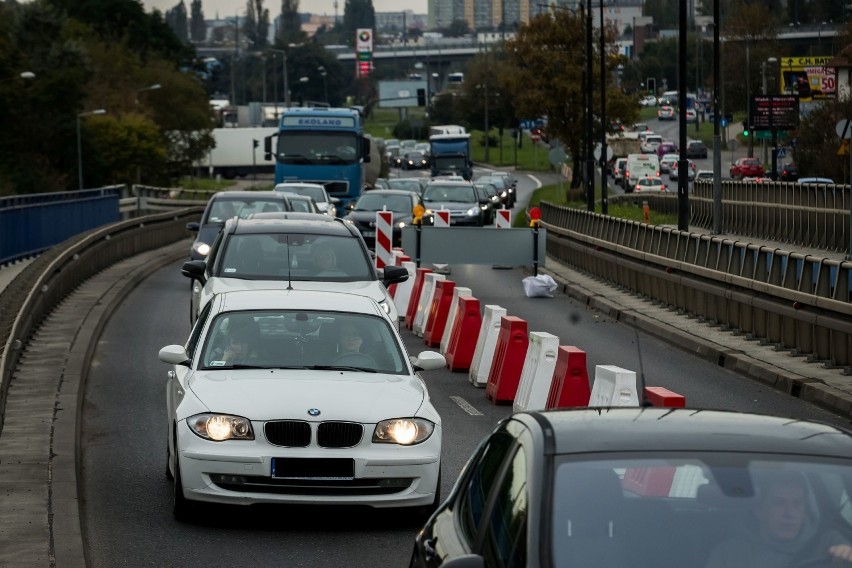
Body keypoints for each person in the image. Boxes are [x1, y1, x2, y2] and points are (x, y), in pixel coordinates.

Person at [706, 471, 852, 568]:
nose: (789, 513)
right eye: (779, 503)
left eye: (797, 503)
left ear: (805, 509)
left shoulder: (830, 543)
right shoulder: (729, 555)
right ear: (758, 510)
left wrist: (847, 556)